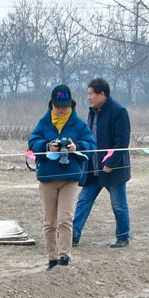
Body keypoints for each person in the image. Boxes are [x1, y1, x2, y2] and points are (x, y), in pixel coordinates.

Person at [27, 84, 96, 270]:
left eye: (65, 106)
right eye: (58, 106)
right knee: (49, 221)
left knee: (65, 219)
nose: (61, 109)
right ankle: (51, 258)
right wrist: (48, 146)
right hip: (47, 178)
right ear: (51, 105)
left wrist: (77, 147)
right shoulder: (43, 123)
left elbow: (92, 145)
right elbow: (32, 142)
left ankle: (64, 257)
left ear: (71, 104)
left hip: (70, 178)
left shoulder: (79, 124)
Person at [73, 78, 132, 248]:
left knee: (118, 205)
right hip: (93, 168)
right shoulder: (92, 112)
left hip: (113, 170)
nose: (89, 98)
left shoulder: (119, 111)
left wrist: (111, 163)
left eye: (91, 94)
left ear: (102, 94)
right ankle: (73, 235)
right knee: (83, 201)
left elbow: (122, 142)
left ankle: (123, 236)